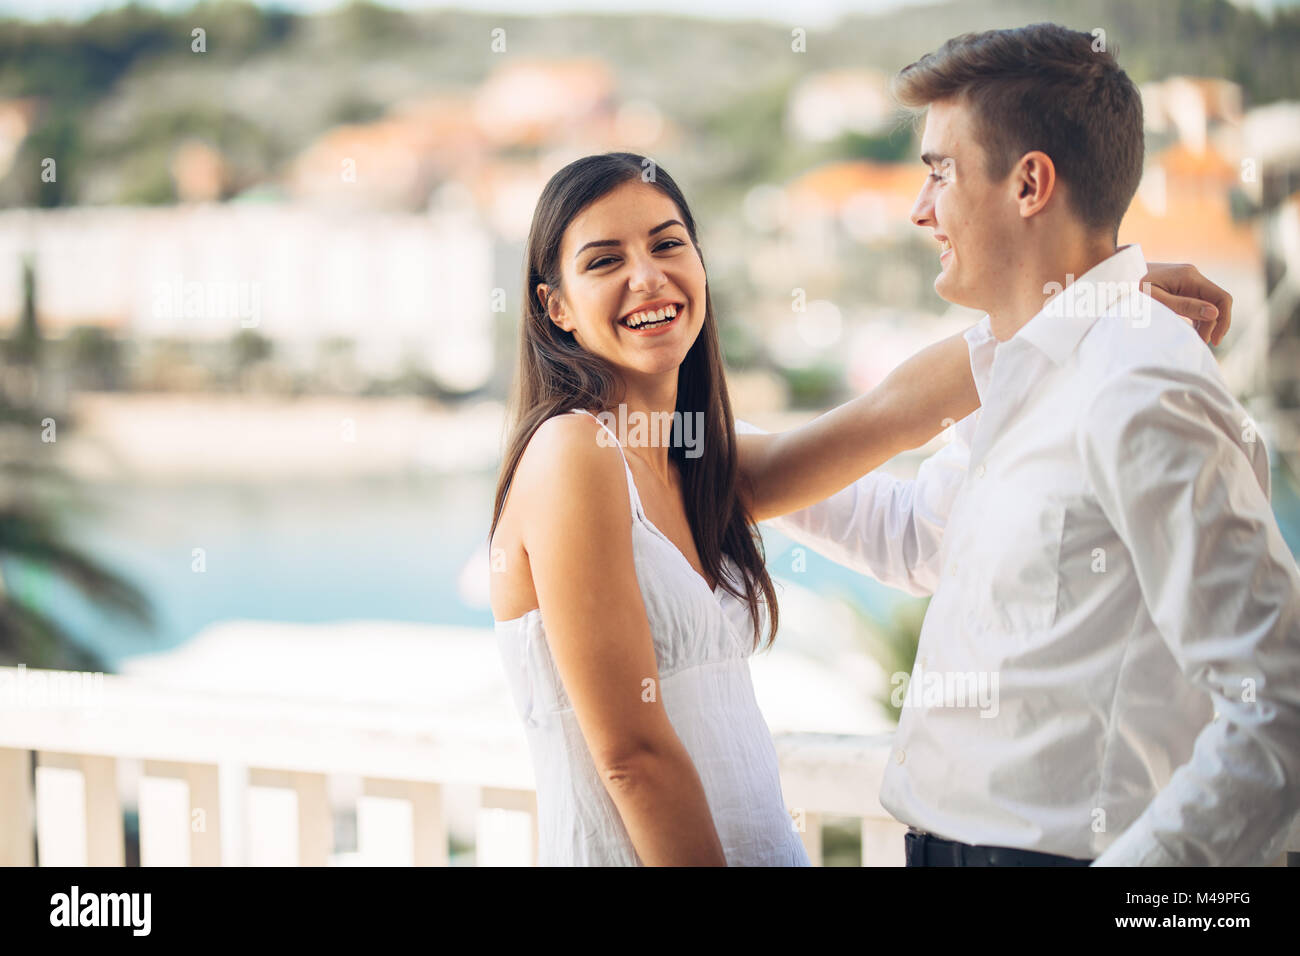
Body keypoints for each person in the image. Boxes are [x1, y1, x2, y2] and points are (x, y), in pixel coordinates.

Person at [488, 148, 1228, 865]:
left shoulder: (700, 457)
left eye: (667, 244)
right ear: (554, 307)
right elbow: (631, 758)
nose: (648, 277)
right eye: (604, 260)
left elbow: (889, 414)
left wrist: (1093, 300)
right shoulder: (571, 452)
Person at [744, 23, 1300, 866]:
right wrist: (687, 441)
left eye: (939, 170)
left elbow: (1279, 697)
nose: (917, 208)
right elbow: (910, 534)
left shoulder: (1140, 383)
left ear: (1030, 183)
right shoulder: (1034, 365)